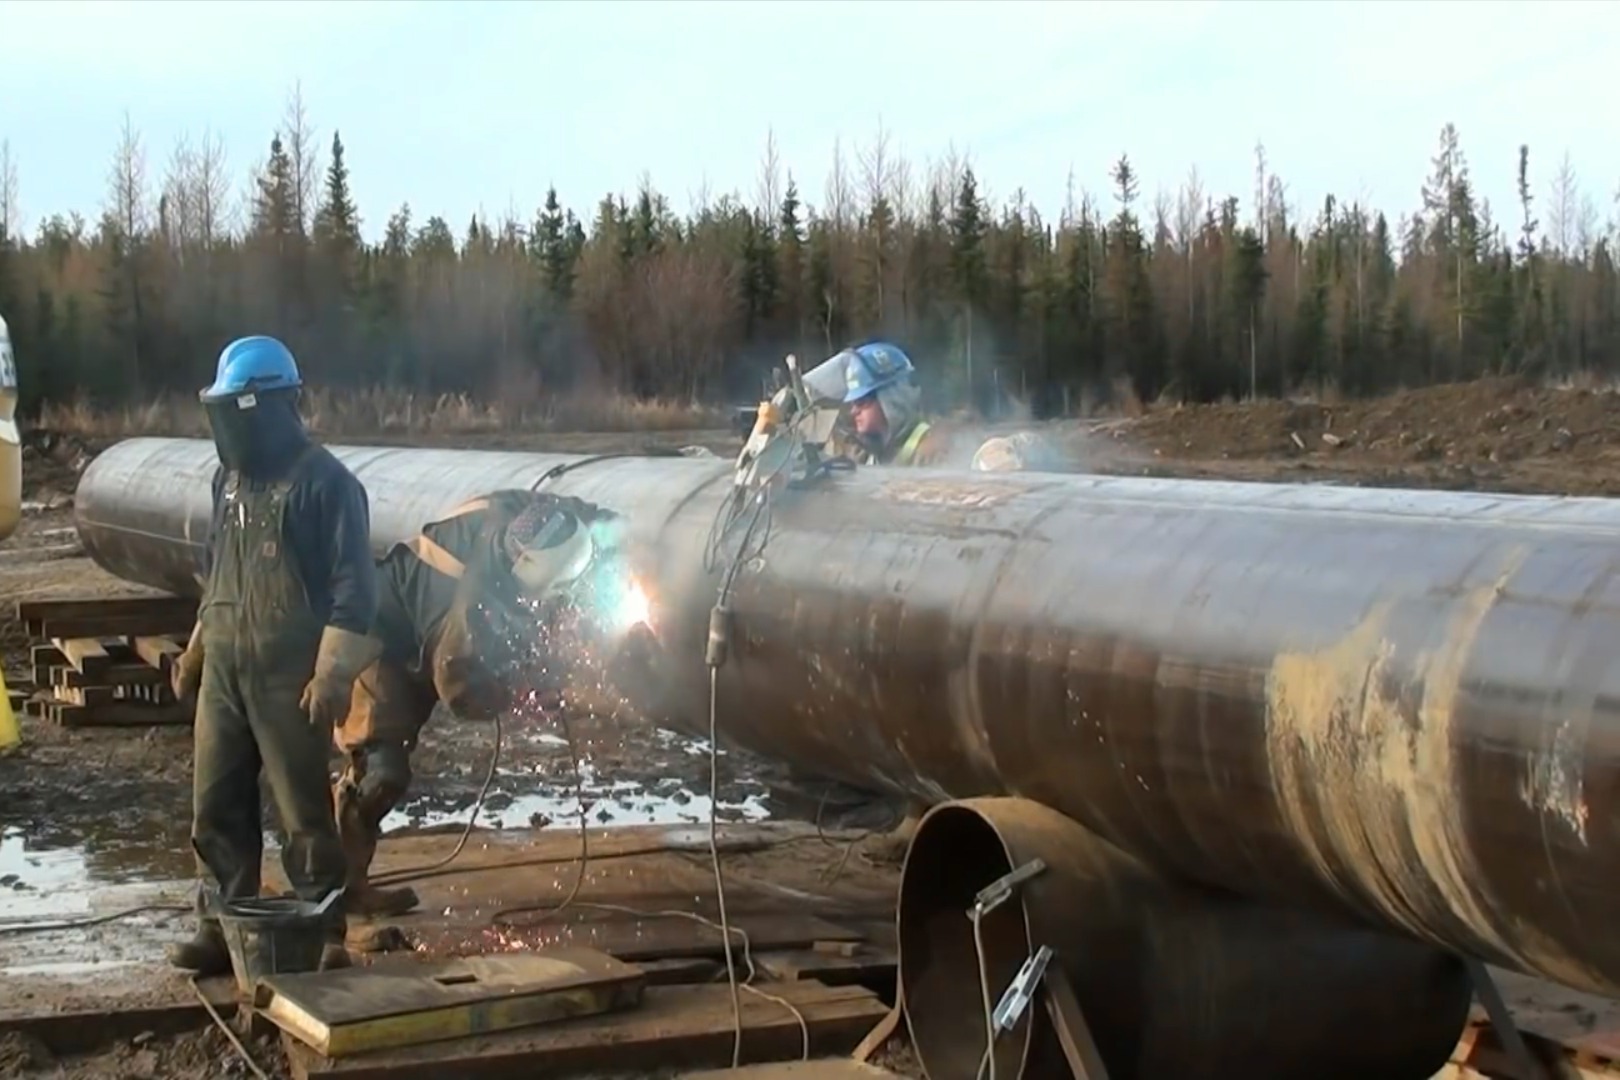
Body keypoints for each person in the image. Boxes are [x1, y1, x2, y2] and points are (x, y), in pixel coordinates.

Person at [167, 335, 381, 975]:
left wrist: (333, 672)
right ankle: (219, 924)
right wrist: (198, 650)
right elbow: (218, 572)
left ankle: (324, 929)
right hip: (227, 674)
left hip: (290, 678)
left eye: (239, 408)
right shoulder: (226, 481)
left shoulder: (327, 484)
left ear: (269, 406)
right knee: (215, 802)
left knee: (302, 812)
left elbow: (355, 592)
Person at [331, 489, 623, 917]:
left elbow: (585, 513)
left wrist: (620, 537)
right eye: (557, 588)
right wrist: (519, 694)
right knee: (380, 772)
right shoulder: (469, 619)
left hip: (423, 619)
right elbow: (461, 694)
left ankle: (339, 876)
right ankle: (341, 887)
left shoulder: (524, 514)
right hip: (383, 640)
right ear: (525, 569)